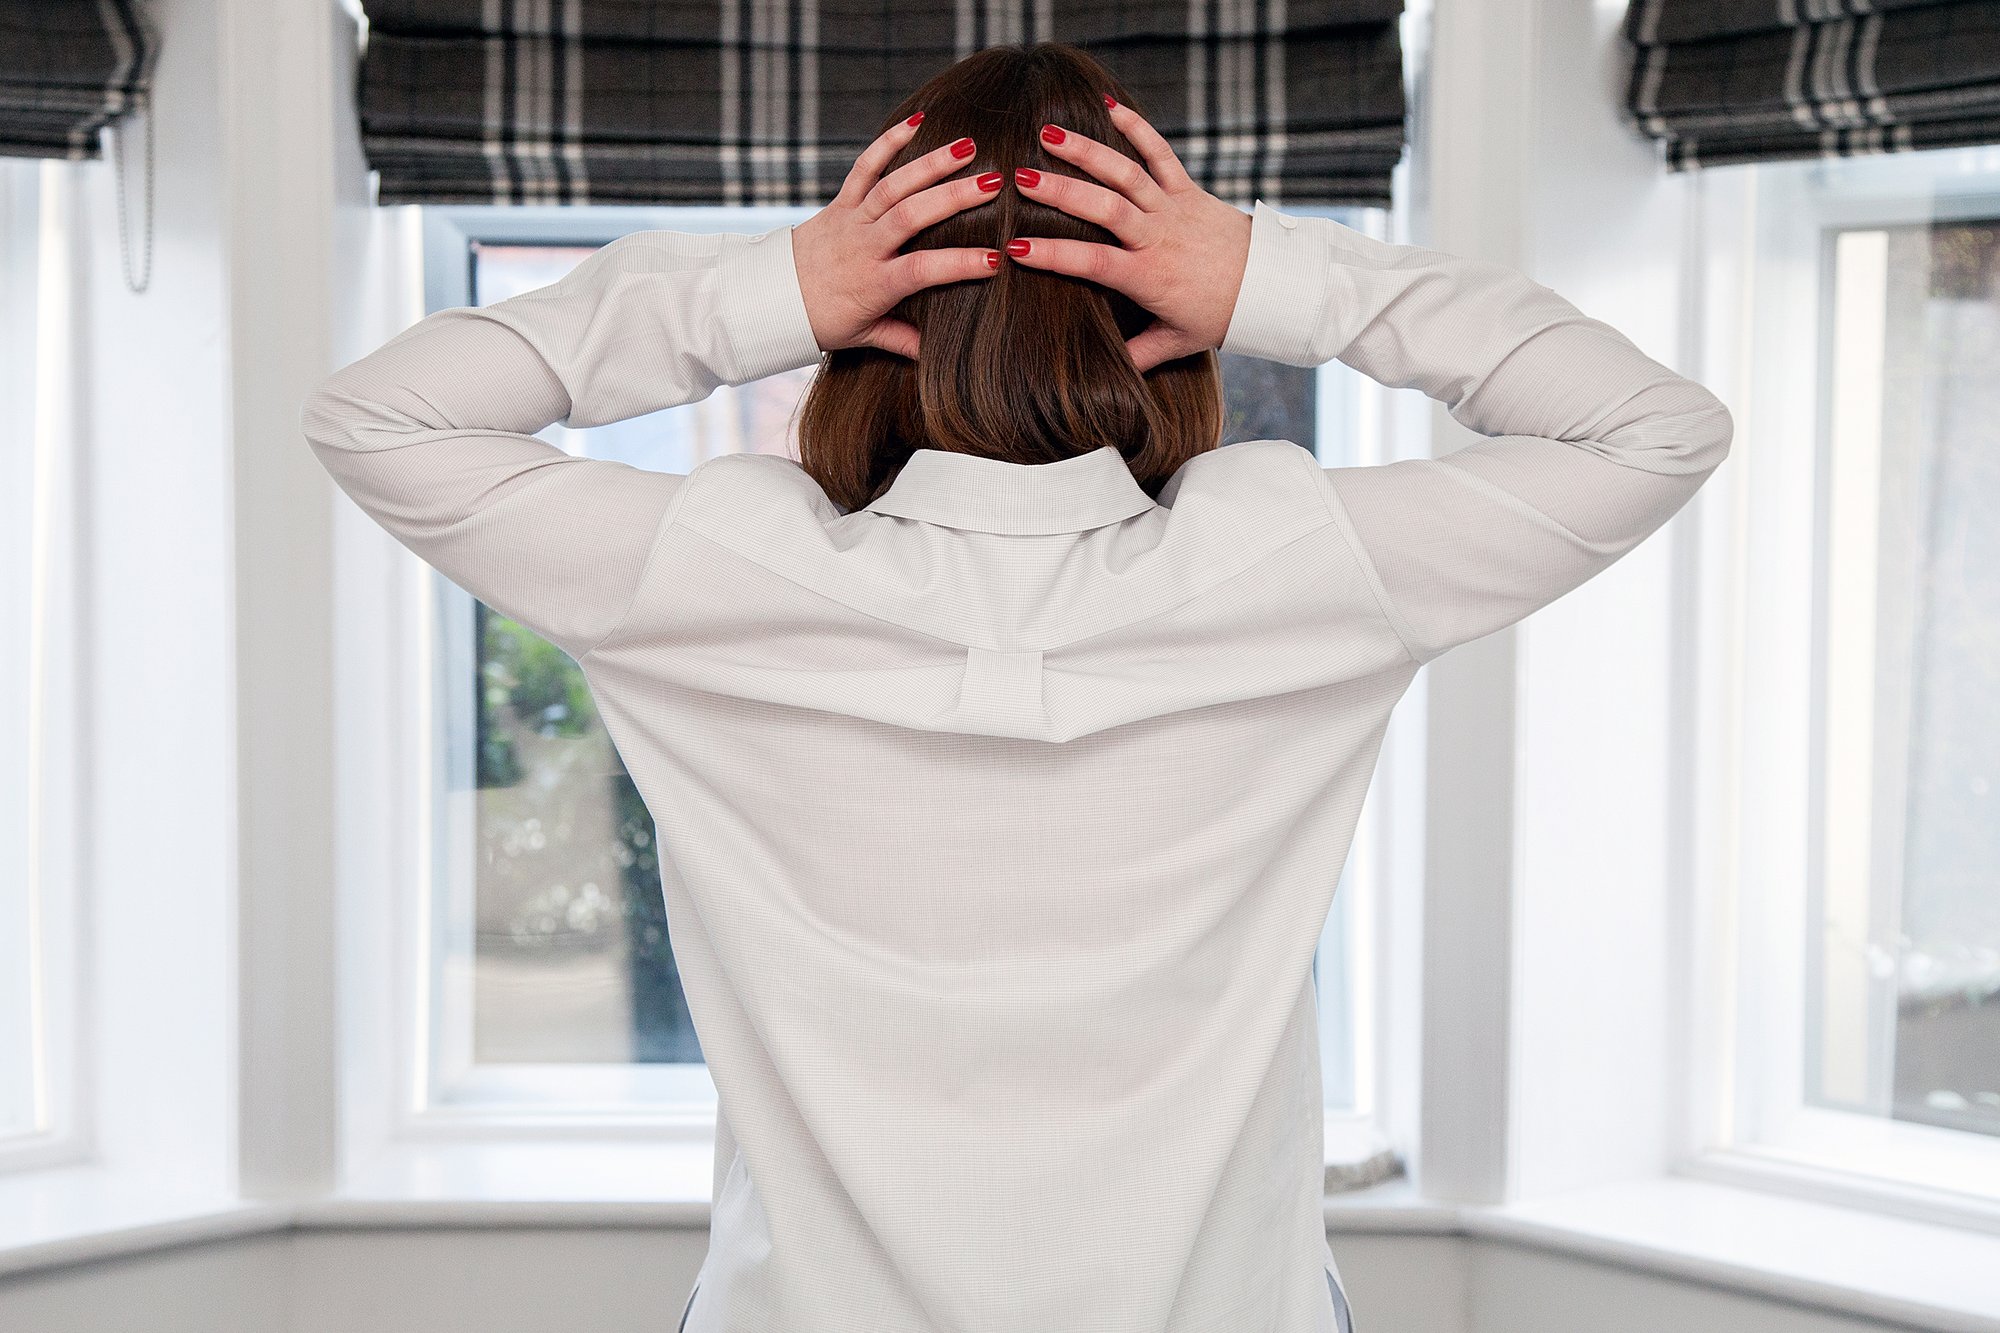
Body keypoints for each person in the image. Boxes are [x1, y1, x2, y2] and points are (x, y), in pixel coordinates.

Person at [300, 40, 1731, 1333]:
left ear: (868, 324)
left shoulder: (712, 571)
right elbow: (1651, 429)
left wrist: (768, 291)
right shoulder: (1293, 564)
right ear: (1153, 318)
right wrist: (1275, 277)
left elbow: (379, 416)